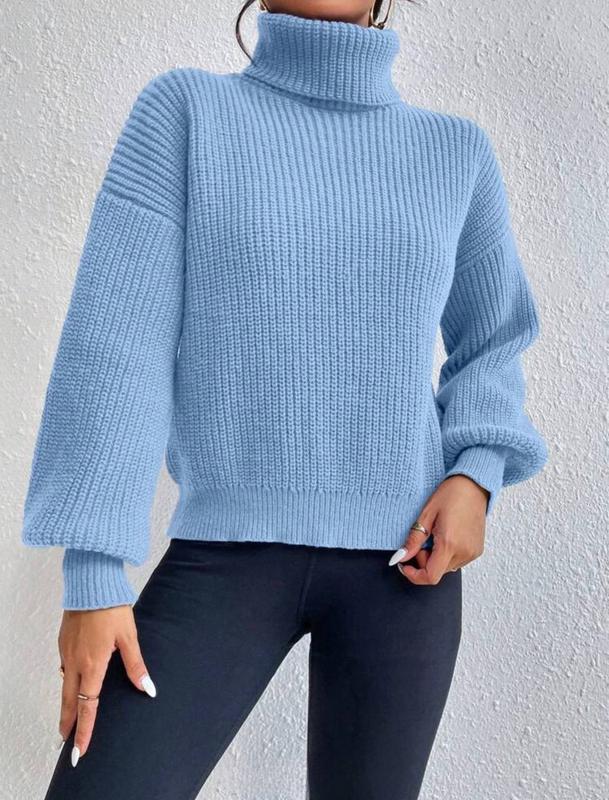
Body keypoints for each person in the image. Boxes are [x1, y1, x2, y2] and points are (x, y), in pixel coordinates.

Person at [21, 1, 548, 798]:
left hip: (406, 568)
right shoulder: (187, 113)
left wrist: (475, 472)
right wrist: (94, 572)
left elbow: (494, 338)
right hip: (223, 560)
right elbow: (117, 343)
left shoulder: (454, 152)